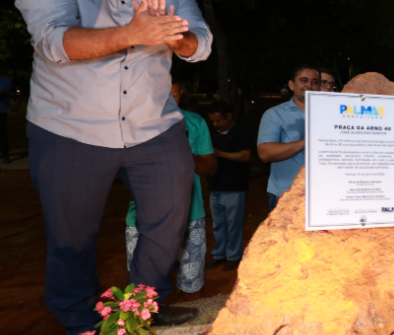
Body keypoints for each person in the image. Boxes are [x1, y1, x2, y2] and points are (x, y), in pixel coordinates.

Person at [15, 0, 212, 335]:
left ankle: (142, 307)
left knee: (168, 223)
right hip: (69, 128)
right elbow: (52, 41)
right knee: (71, 237)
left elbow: (199, 43)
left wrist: (176, 36)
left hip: (154, 126)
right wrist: (132, 33)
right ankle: (81, 326)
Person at [125, 79, 217, 293]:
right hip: (143, 218)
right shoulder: (134, 124)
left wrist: (182, 151)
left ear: (181, 92)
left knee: (191, 284)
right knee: (142, 290)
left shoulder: (195, 122)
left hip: (190, 215)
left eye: (173, 95)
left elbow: (210, 167)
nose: (167, 101)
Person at [258, 65, 321, 210]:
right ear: (291, 85)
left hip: (322, 194)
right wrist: (304, 142)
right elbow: (264, 153)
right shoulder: (275, 114)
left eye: (314, 82)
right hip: (287, 196)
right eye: (304, 80)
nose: (309, 85)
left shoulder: (330, 114)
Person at [206, 100, 252, 270]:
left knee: (234, 225)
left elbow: (246, 156)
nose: (215, 124)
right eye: (213, 121)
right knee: (218, 224)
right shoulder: (213, 133)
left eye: (218, 120)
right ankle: (219, 254)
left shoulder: (241, 131)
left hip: (234, 187)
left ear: (229, 116)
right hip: (216, 186)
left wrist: (220, 154)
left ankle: (233, 256)